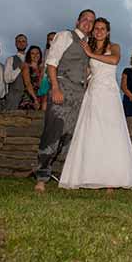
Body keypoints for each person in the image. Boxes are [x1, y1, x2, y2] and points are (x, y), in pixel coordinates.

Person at [59, 17, 132, 191]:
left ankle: (112, 181)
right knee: (92, 133)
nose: (99, 31)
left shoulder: (113, 46)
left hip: (109, 94)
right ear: (93, 31)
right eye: (97, 28)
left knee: (111, 134)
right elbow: (87, 72)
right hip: (93, 93)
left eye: (103, 28)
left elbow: (114, 60)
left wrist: (91, 54)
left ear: (107, 32)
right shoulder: (88, 47)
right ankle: (89, 176)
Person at [34, 10, 96, 192]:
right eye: (85, 19)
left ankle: (65, 176)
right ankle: (41, 178)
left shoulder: (88, 45)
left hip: (79, 93)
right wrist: (55, 88)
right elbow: (51, 63)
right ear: (77, 21)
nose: (87, 23)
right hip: (62, 88)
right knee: (53, 132)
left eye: (91, 21)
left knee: (70, 136)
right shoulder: (64, 35)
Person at [3, 33, 28, 110]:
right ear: (15, 44)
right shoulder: (10, 59)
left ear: (27, 44)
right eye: (19, 41)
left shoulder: (32, 59)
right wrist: (19, 69)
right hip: (15, 95)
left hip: (30, 97)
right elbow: (7, 79)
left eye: (23, 41)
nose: (21, 43)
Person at [19, 45, 44, 110]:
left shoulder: (41, 68)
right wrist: (35, 99)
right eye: (32, 53)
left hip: (41, 97)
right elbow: (27, 83)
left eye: (37, 53)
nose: (35, 55)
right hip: (30, 97)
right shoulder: (26, 66)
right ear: (29, 55)